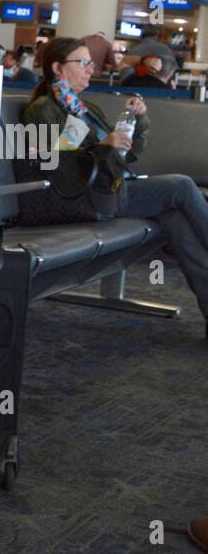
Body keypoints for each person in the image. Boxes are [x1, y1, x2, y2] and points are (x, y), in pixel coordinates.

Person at [23, 36, 208, 334]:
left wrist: (140, 122)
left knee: (176, 220)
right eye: (82, 63)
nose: (89, 69)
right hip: (83, 197)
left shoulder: (86, 108)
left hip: (108, 188)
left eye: (90, 63)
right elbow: (53, 167)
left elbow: (129, 155)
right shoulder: (43, 110)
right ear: (57, 68)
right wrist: (102, 147)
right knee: (182, 186)